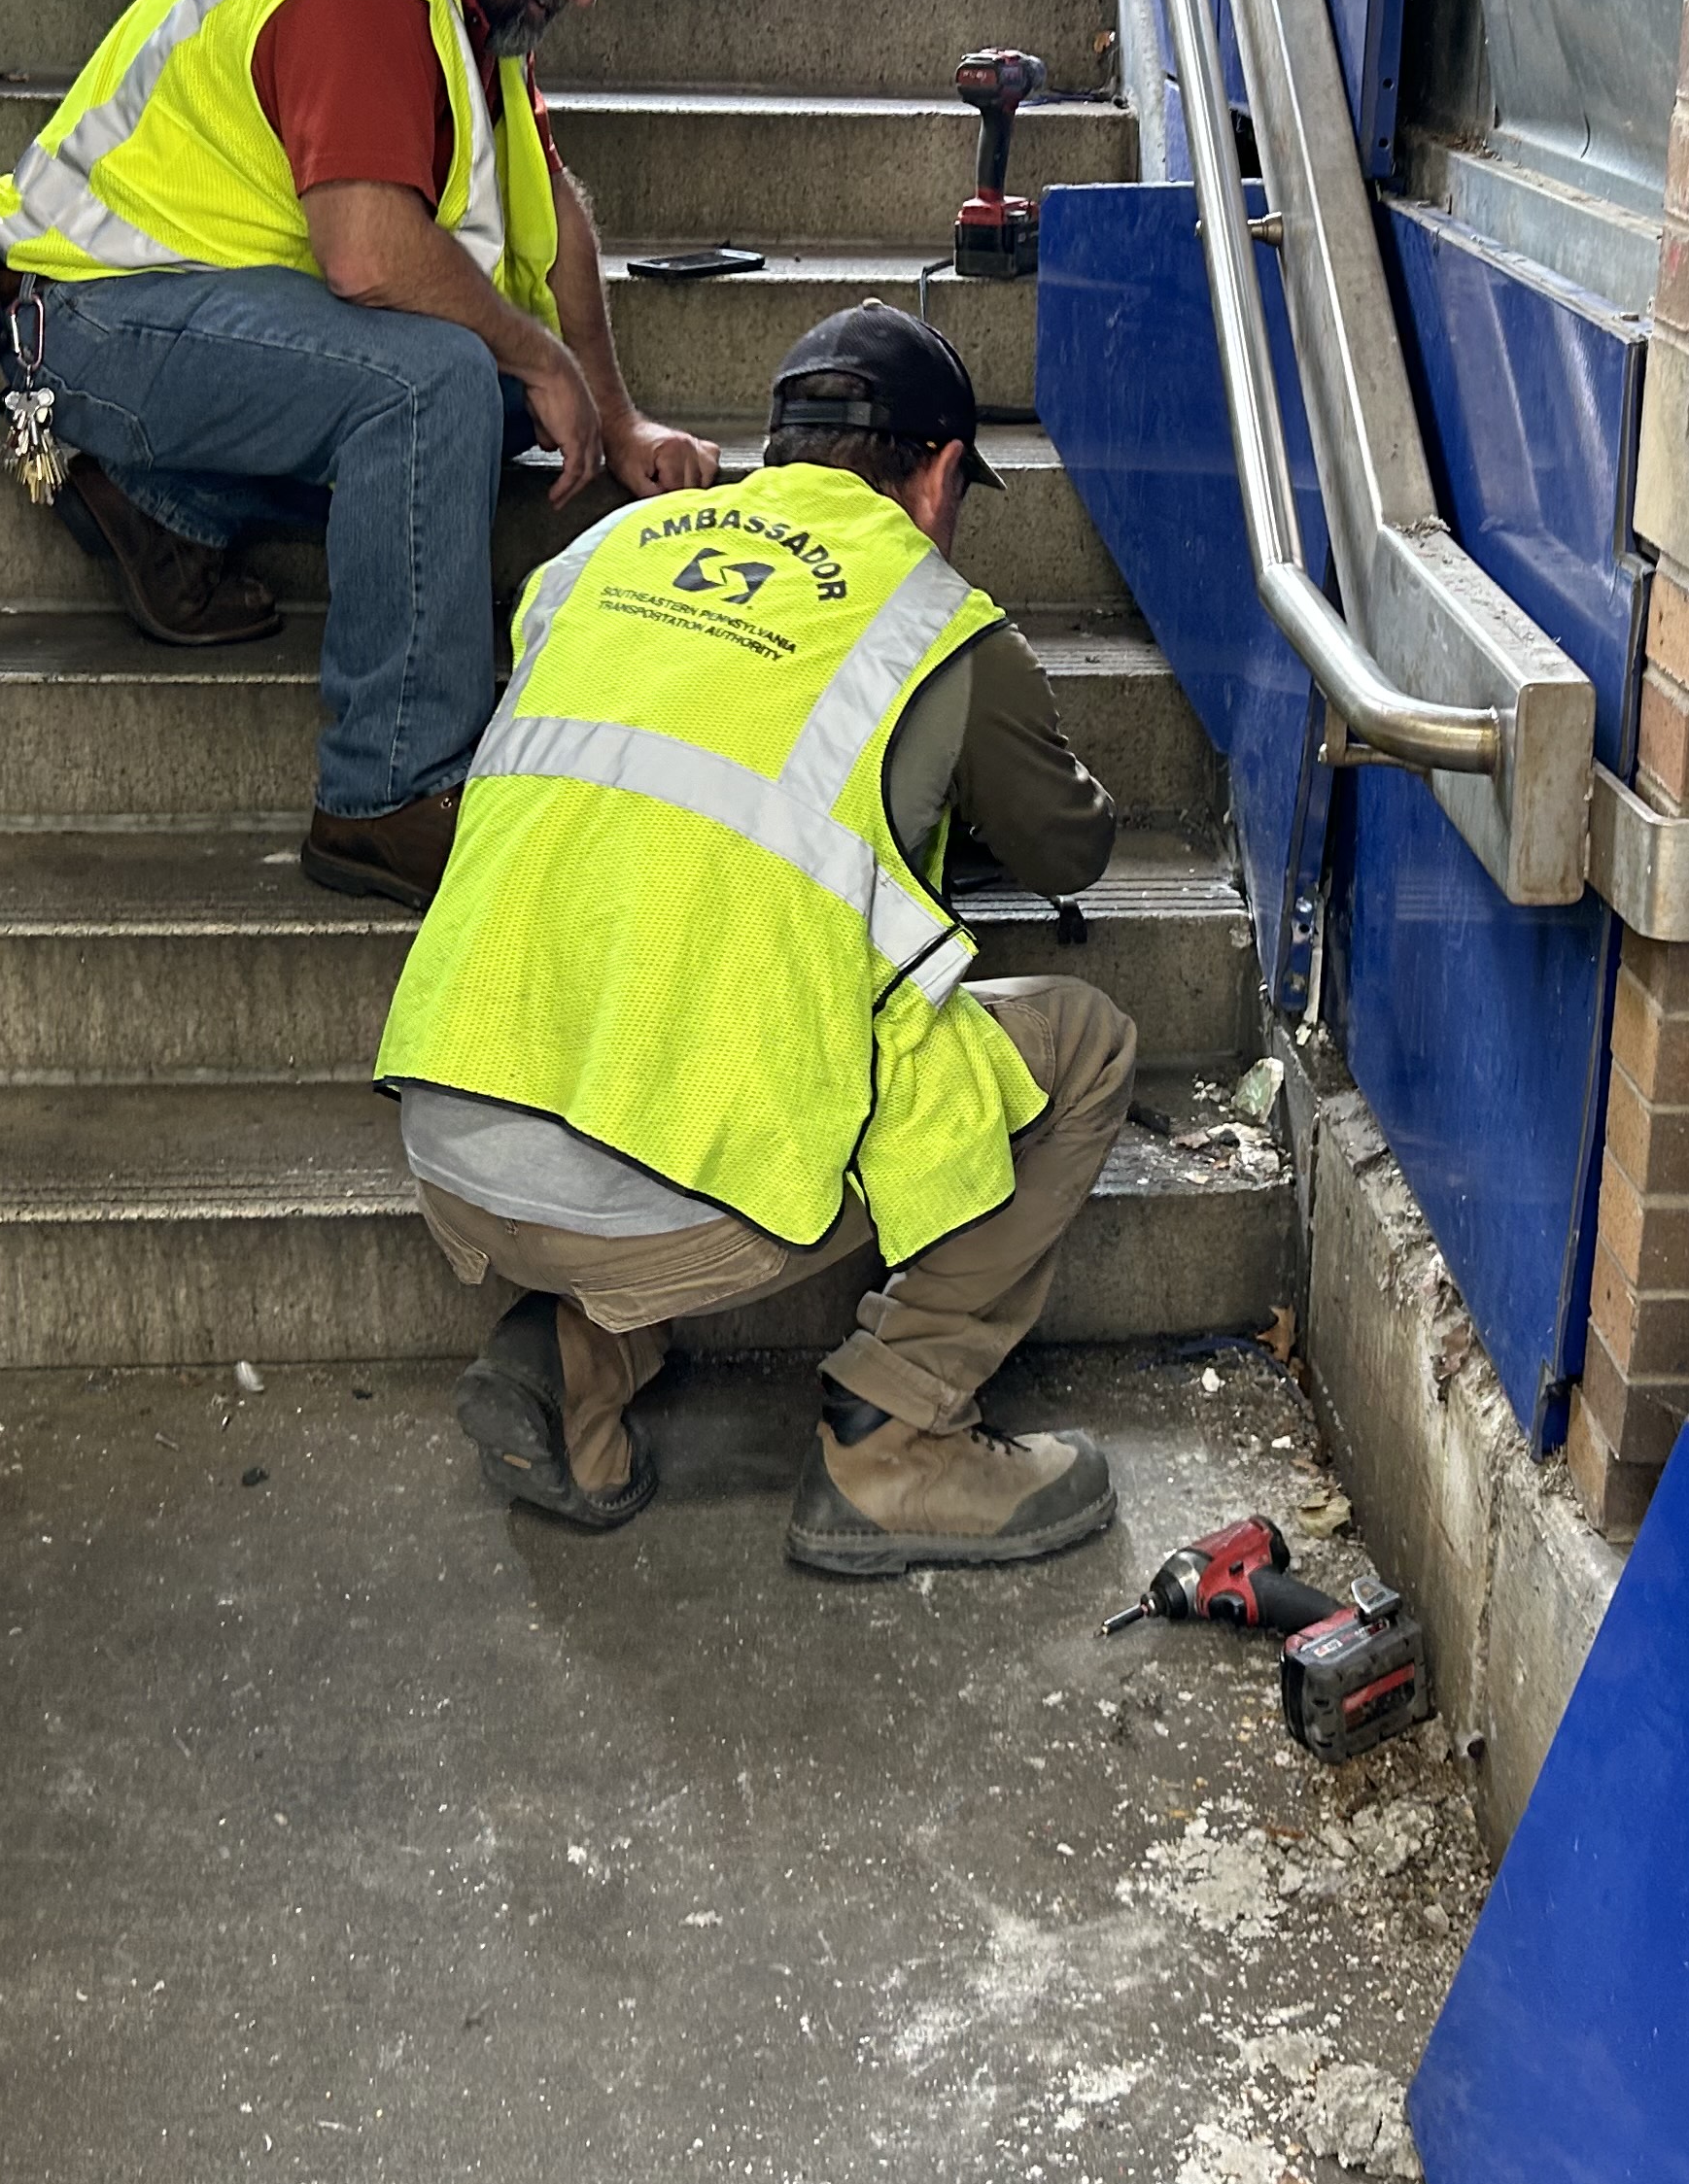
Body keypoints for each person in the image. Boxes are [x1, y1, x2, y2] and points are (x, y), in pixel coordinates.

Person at [375, 303, 1136, 1575]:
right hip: (672, 1199)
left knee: (670, 1011)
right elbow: (1070, 851)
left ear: (773, 448)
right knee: (1083, 1047)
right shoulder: (934, 623)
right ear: (940, 473)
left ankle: (565, 1365)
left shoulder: (597, 559)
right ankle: (898, 1443)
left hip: (451, 1134)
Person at [0, 0, 718, 910]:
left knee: (495, 393)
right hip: (83, 323)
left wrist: (610, 416)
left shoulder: (471, 13)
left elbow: (546, 210)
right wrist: (535, 355)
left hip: (188, 319)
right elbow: (364, 256)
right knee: (436, 386)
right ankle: (386, 793)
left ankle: (162, 505)